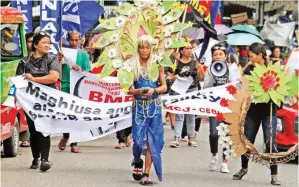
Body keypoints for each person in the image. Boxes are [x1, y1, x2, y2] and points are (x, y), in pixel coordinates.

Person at [233, 43, 281, 186]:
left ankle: (274, 174)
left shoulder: (274, 69)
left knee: (270, 143)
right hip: (253, 112)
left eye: (252, 56)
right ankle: (244, 168)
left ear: (260, 55)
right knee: (247, 140)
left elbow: (282, 89)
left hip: (269, 111)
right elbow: (243, 89)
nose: (250, 59)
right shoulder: (249, 69)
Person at [15, 32, 60, 171]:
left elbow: (53, 78)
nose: (47, 45)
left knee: (44, 128)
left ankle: (45, 160)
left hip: (46, 100)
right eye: (44, 42)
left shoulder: (52, 59)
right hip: (30, 102)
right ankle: (36, 158)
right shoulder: (24, 62)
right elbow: (18, 81)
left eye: (49, 42)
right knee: (34, 130)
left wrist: (34, 79)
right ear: (35, 44)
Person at [128, 35, 167, 185]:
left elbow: (164, 87)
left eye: (147, 47)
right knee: (137, 141)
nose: (144, 50)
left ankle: (146, 174)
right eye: (141, 47)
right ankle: (137, 159)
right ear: (138, 49)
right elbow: (128, 89)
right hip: (138, 107)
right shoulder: (131, 65)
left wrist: (154, 90)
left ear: (151, 48)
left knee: (153, 141)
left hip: (155, 106)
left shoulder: (157, 64)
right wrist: (139, 91)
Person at [57, 30, 91, 153]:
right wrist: (58, 59)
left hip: (78, 87)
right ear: (68, 39)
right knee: (66, 114)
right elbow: (56, 68)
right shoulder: (62, 52)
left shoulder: (83, 55)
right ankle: (66, 136)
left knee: (76, 115)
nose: (74, 42)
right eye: (72, 39)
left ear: (80, 40)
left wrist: (80, 69)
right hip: (65, 86)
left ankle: (74, 142)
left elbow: (88, 73)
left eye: (77, 40)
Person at [203, 42, 231, 173]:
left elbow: (239, 86)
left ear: (225, 56)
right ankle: (214, 155)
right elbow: (206, 88)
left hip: (229, 106)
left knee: (227, 133)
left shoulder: (233, 69)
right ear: (212, 57)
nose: (218, 57)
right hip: (214, 105)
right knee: (214, 133)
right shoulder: (210, 70)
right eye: (215, 55)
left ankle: (225, 162)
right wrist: (212, 78)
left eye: (221, 54)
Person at [169, 43, 205, 148]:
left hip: (192, 90)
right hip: (179, 90)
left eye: (190, 48)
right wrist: (173, 77)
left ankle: (191, 138)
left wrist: (200, 69)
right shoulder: (176, 63)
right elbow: (169, 76)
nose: (189, 50)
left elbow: (202, 79)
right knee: (179, 115)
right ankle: (176, 138)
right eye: (187, 48)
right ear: (181, 51)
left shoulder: (195, 62)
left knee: (190, 115)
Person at [19, 32, 35, 148]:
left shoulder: (45, 57)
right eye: (29, 41)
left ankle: (31, 138)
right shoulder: (21, 58)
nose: (31, 44)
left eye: (33, 41)